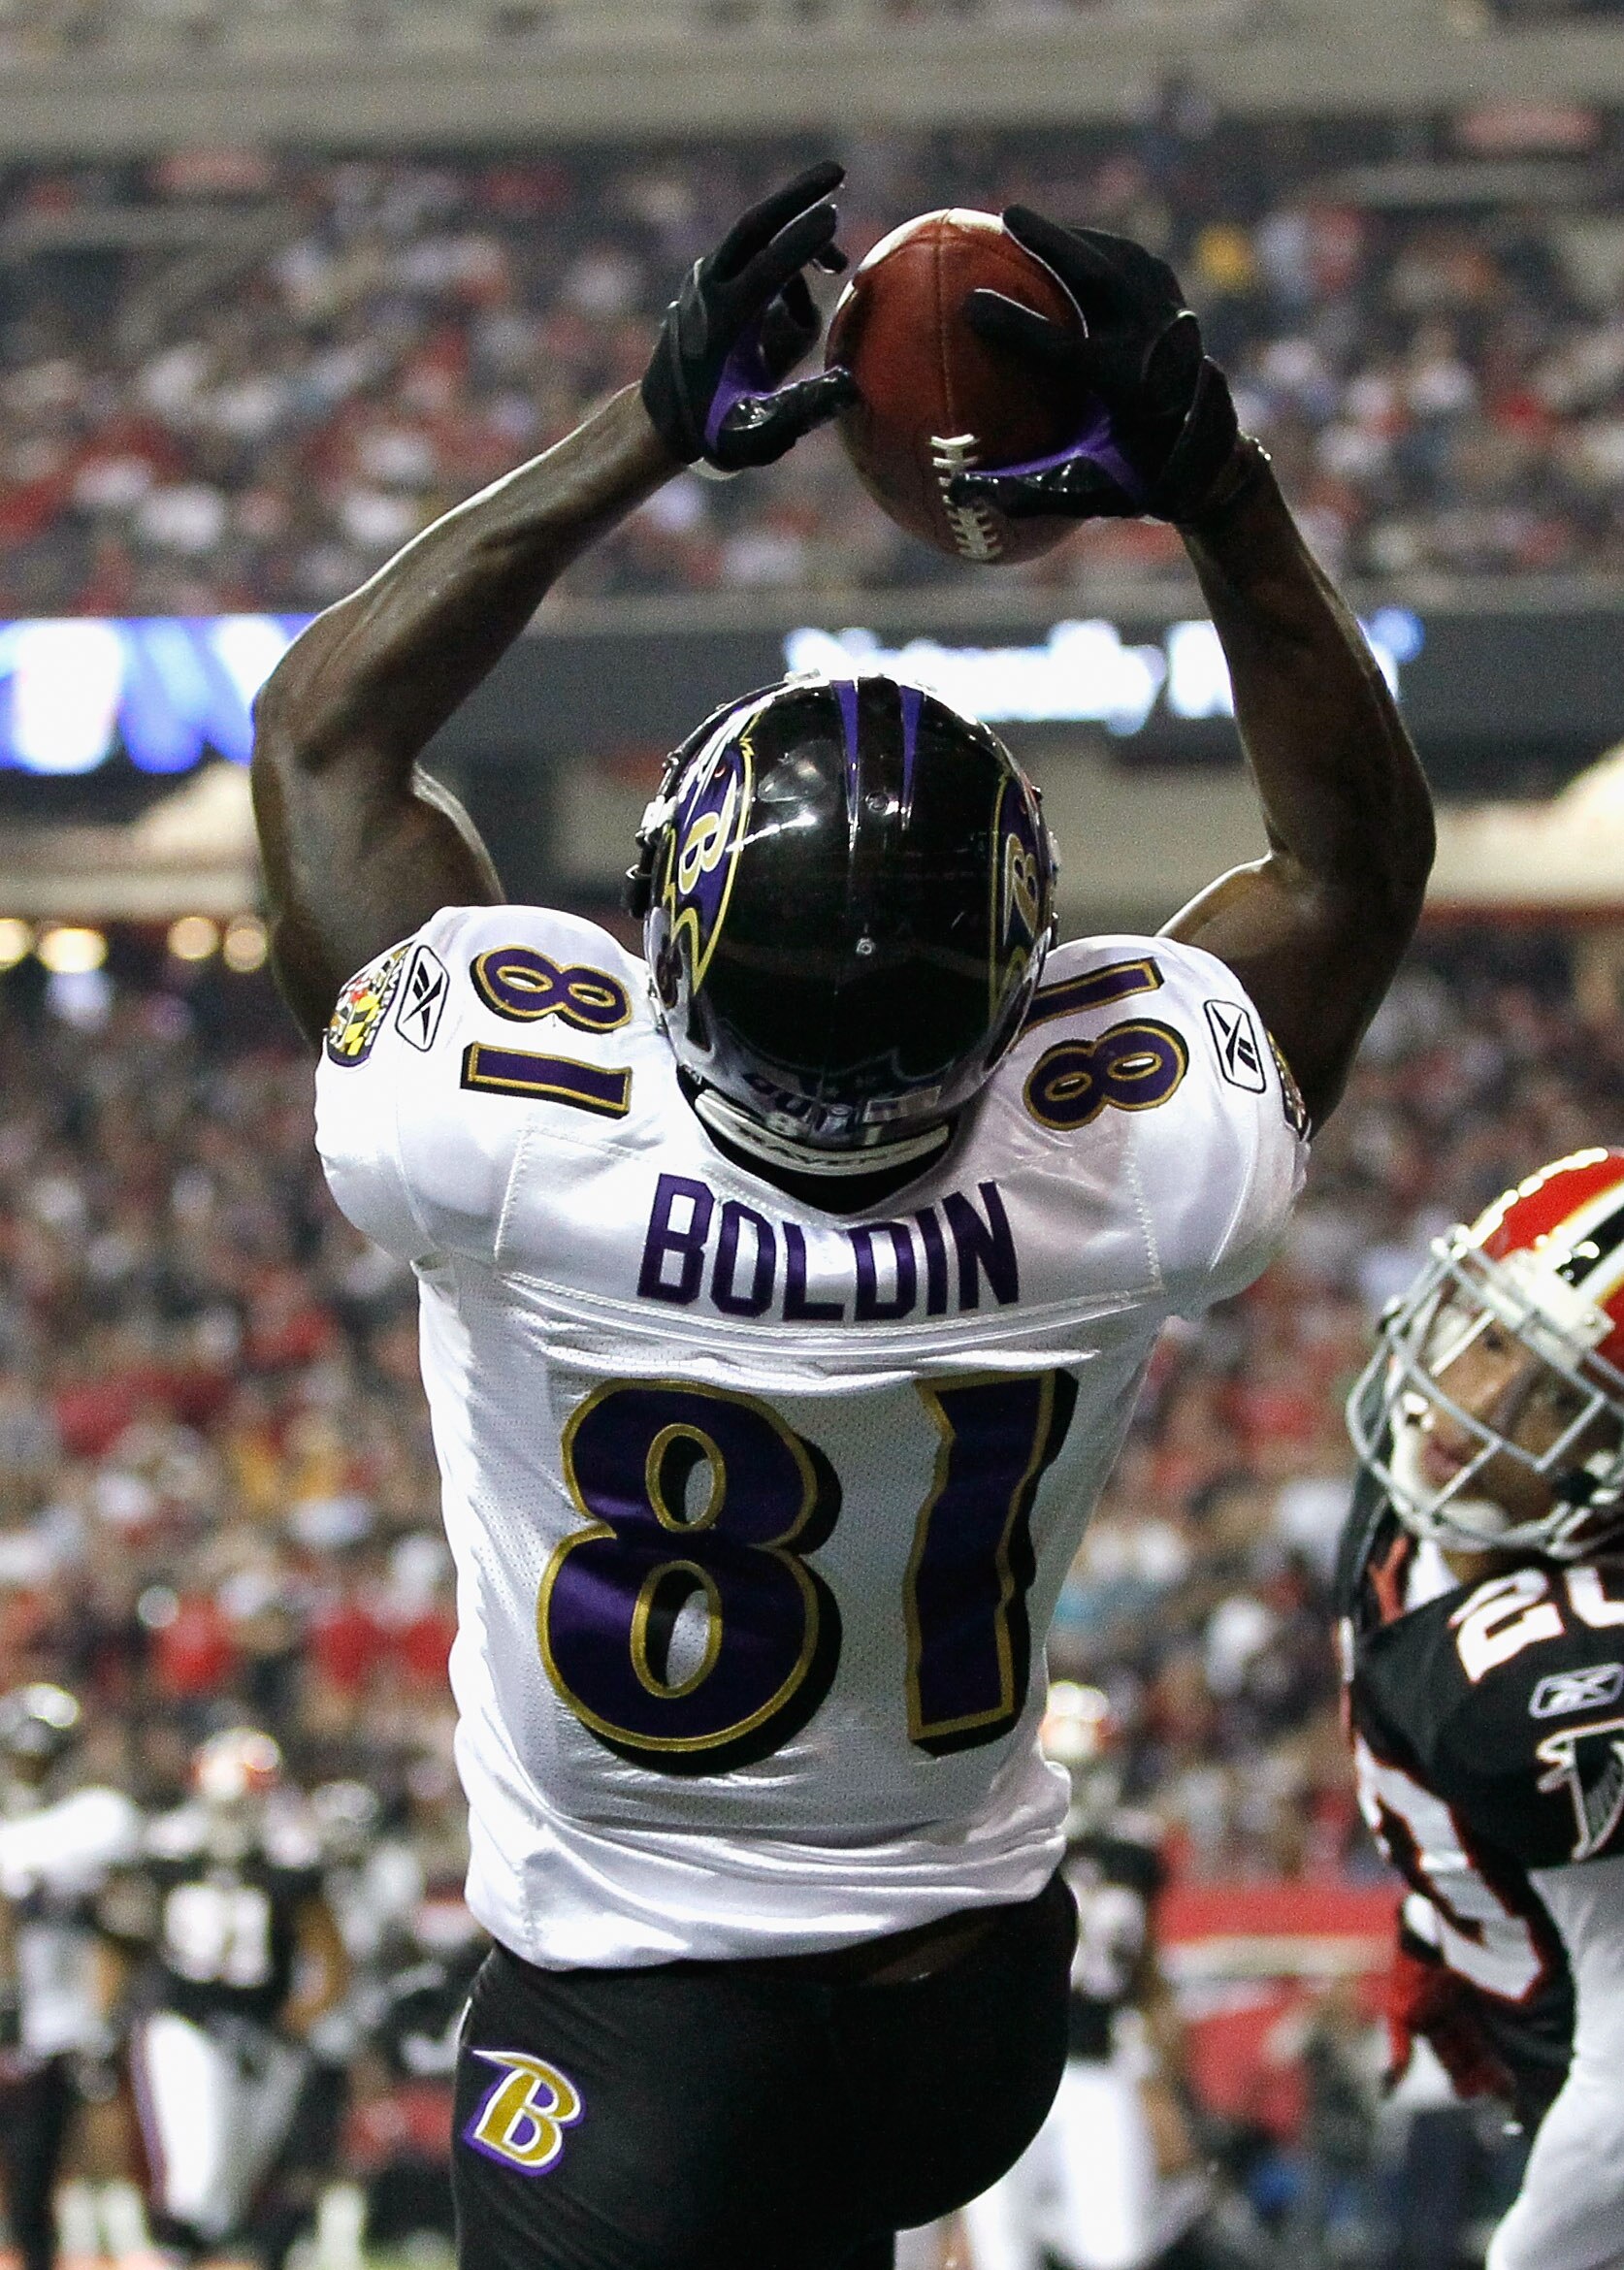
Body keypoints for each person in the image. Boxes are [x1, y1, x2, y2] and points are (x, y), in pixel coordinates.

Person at [251, 162, 1431, 2270]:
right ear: (1025, 980)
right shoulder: (1120, 1168)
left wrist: (645, 424)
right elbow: (1350, 871)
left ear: (661, 961)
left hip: (626, 2021)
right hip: (970, 1999)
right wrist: (1219, 489)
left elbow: (324, 740)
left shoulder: (507, 1136)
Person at [1340, 1147, 1624, 2270]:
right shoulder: (1424, 1472)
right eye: (1493, 1334)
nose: (1476, 1400)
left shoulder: (1528, 1688)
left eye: (1559, 1396)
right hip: (1510, 2010)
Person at [960, 1685, 1209, 2270]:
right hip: (1005, 2066)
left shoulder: (1132, 1854)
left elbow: (1145, 1971)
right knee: (1002, 2251)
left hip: (1094, 2060)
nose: (1076, 1785)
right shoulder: (997, 1843)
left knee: (1115, 2247)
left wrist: (1162, 2077)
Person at [115, 1728, 349, 2269]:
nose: (233, 1816)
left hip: (262, 2037)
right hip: (185, 2024)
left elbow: (333, 1961)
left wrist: (293, 2025)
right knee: (194, 2178)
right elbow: (126, 1938)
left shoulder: (289, 1863)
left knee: (228, 2193)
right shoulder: (168, 1853)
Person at [0, 1686, 141, 2270]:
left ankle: (123, 2251)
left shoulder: (98, 1818)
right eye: (25, 1755)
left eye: (46, 1755)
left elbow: (131, 1917)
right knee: (30, 2176)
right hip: (21, 2013)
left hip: (76, 2015)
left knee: (93, 2160)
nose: (34, 1769)